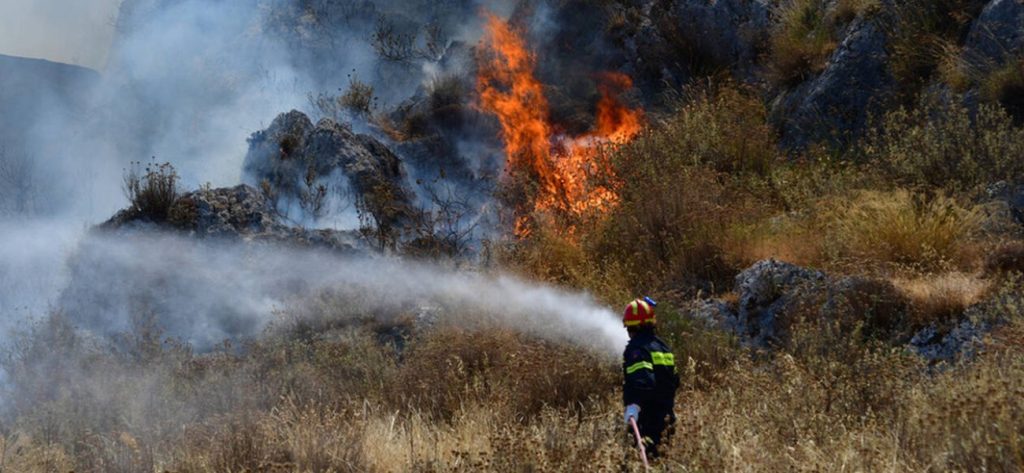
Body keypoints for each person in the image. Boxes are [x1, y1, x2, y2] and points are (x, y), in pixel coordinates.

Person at [622, 296, 679, 458]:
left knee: (640, 462)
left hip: (648, 422)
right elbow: (675, 380)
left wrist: (634, 406)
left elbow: (643, 382)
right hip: (668, 420)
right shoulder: (663, 347)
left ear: (631, 327)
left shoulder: (636, 349)